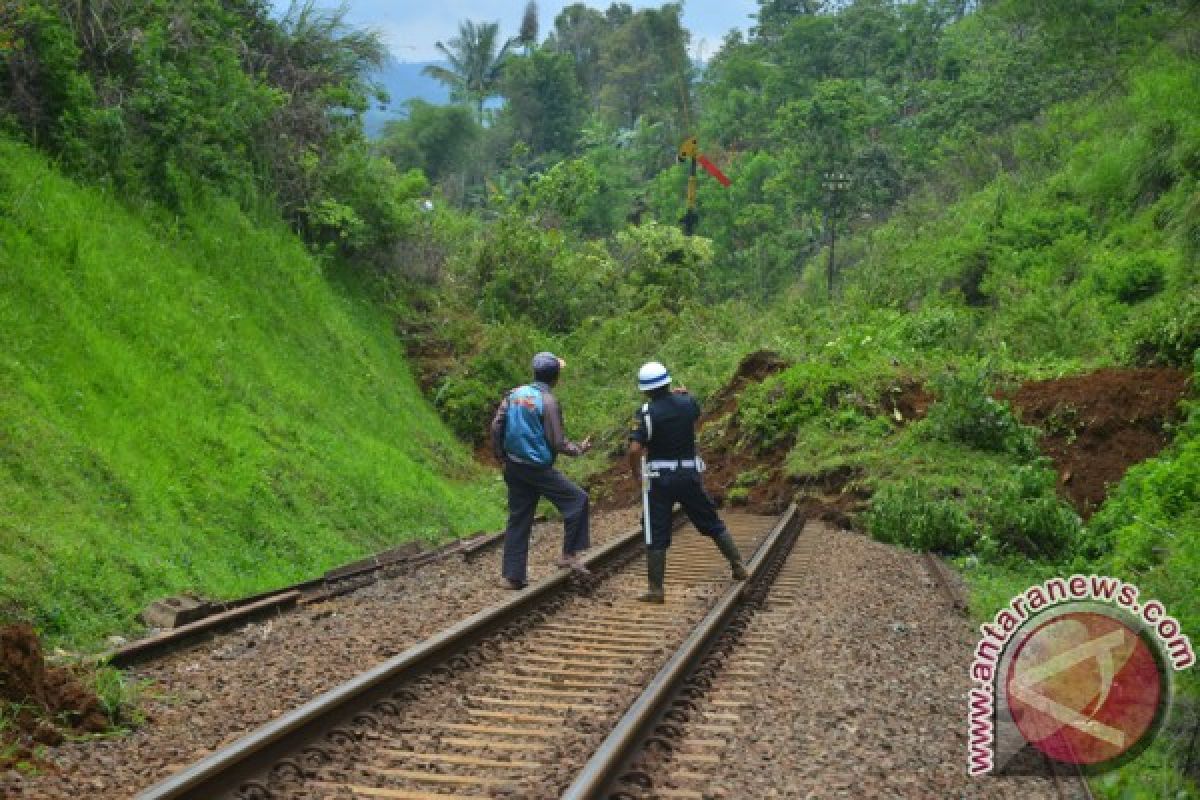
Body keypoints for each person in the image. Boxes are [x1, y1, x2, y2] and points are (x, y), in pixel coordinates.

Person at [627, 361, 747, 603]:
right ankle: (738, 566)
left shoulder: (646, 413)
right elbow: (690, 409)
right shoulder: (688, 403)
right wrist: (682, 394)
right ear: (668, 382)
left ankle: (656, 589)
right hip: (689, 475)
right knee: (709, 519)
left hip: (659, 480)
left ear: (645, 390)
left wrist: (635, 473)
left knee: (655, 528)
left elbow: (634, 449)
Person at [491, 351, 593, 589]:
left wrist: (501, 456)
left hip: (514, 465)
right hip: (537, 468)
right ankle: (568, 555)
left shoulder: (514, 395)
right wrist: (579, 449)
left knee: (519, 517)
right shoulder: (548, 402)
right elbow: (557, 441)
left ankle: (513, 576)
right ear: (555, 377)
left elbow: (497, 425)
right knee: (577, 500)